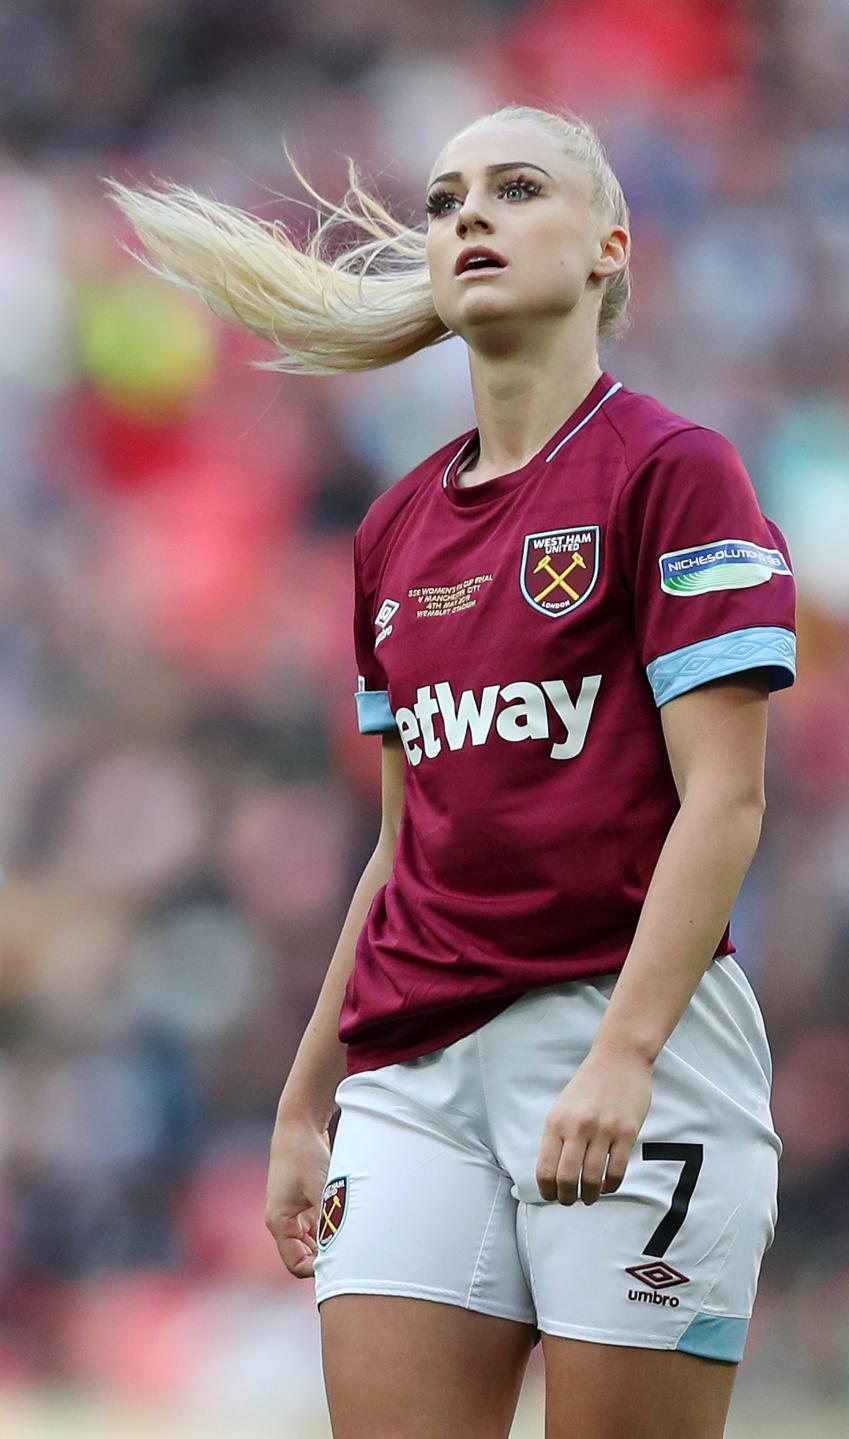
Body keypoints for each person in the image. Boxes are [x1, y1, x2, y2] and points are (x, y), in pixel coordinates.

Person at [106, 102, 797, 1439]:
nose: (468, 215)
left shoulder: (674, 474)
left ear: (609, 243)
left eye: (516, 187)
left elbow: (728, 798)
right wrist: (311, 1101)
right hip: (412, 1080)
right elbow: (402, 846)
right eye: (443, 200)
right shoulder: (393, 529)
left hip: (623, 1044)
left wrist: (624, 1053)